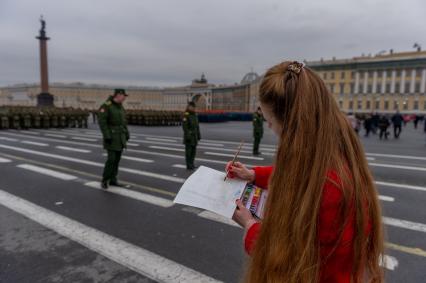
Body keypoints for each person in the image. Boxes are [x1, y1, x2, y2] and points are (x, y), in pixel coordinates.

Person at [225, 61, 384, 283]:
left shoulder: (330, 188)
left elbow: (288, 263)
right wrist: (253, 175)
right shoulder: (334, 153)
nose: (270, 128)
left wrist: (251, 226)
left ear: (292, 123)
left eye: (270, 122)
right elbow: (302, 175)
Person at [98, 89, 130, 189]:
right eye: (123, 96)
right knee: (111, 159)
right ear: (117, 95)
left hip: (120, 137)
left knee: (117, 160)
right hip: (111, 137)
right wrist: (107, 136)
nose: (124, 98)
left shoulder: (120, 106)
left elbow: (123, 122)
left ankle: (113, 179)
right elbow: (102, 122)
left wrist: (127, 133)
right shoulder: (106, 106)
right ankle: (105, 179)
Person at [182, 101, 201, 170]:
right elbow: (185, 127)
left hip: (194, 137)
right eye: (192, 107)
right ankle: (188, 165)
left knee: (193, 152)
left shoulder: (195, 115)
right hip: (189, 137)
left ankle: (192, 164)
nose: (193, 108)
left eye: (194, 107)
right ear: (189, 107)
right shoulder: (186, 115)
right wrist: (188, 136)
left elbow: (197, 126)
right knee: (188, 152)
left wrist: (199, 135)